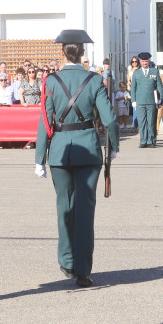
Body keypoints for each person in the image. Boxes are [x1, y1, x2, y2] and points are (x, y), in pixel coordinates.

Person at [33, 29, 118, 287]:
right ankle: (83, 270)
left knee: (64, 207)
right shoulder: (94, 80)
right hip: (88, 149)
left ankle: (67, 260)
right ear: (82, 53)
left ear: (62, 52)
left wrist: (39, 156)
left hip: (59, 150)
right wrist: (112, 147)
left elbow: (45, 121)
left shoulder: (50, 81)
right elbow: (111, 119)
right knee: (85, 210)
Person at [130, 52, 163, 148]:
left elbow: (159, 86)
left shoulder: (154, 71)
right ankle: (143, 140)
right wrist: (133, 101)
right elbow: (133, 88)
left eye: (146, 61)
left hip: (151, 101)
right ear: (140, 61)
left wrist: (160, 99)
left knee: (151, 121)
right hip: (140, 101)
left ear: (149, 61)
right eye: (143, 61)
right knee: (142, 122)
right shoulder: (136, 72)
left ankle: (151, 140)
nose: (145, 63)